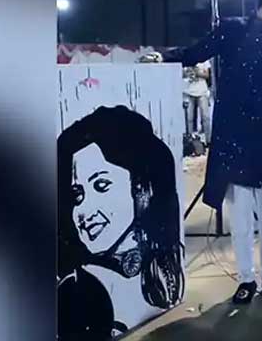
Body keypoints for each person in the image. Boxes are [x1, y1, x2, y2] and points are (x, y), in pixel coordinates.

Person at [141, 0, 262, 304]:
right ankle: (246, 279)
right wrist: (161, 57)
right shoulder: (233, 30)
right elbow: (195, 53)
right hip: (239, 137)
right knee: (241, 215)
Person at [57, 106, 185, 340]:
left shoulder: (162, 271)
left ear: (142, 189)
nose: (83, 211)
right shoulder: (74, 293)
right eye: (77, 195)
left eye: (101, 185)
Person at [182, 62, 212, 143]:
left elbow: (207, 75)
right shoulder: (187, 59)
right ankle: (190, 141)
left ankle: (208, 140)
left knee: (205, 117)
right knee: (189, 118)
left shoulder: (205, 61)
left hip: (202, 91)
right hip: (188, 91)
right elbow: (181, 73)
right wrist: (187, 72)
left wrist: (198, 73)